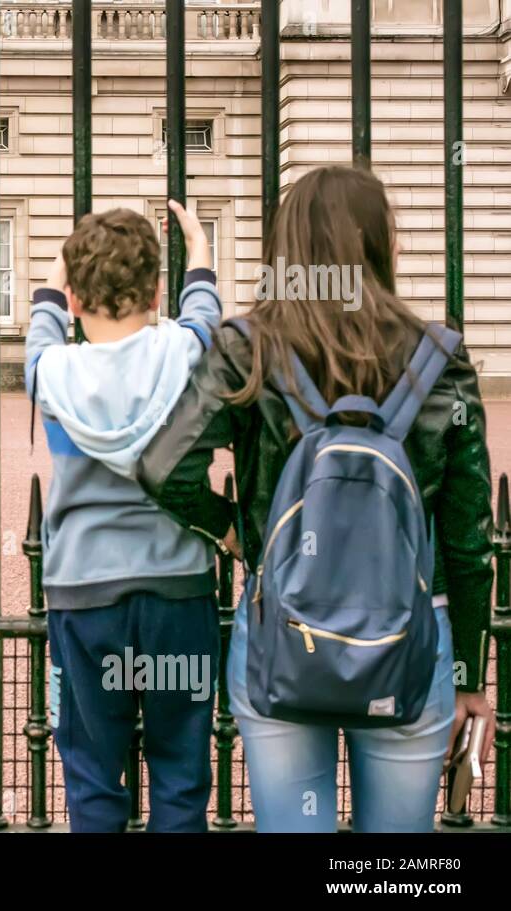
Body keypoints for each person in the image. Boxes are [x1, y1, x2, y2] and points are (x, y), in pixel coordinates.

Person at [137, 165, 496, 832]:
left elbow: (162, 468)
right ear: (380, 244)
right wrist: (473, 670)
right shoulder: (440, 357)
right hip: (414, 632)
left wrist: (233, 532)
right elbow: (471, 538)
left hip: (283, 628)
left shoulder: (246, 347)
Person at [25, 203, 223, 832]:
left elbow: (40, 329)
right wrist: (198, 254)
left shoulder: (54, 371)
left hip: (85, 595)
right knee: (180, 771)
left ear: (76, 300)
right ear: (156, 292)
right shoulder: (184, 355)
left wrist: (56, 282)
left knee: (92, 774)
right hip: (177, 590)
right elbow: (206, 320)